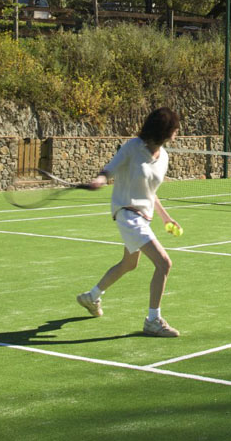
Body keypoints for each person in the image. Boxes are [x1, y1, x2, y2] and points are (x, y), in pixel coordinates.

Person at [75, 107, 183, 338]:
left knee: (129, 264)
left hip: (144, 216)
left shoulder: (163, 156)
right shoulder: (132, 148)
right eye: (174, 127)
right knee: (164, 263)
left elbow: (150, 191)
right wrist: (100, 179)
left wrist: (165, 217)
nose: (177, 131)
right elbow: (109, 169)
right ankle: (153, 320)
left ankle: (91, 296)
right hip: (127, 214)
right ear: (164, 129)